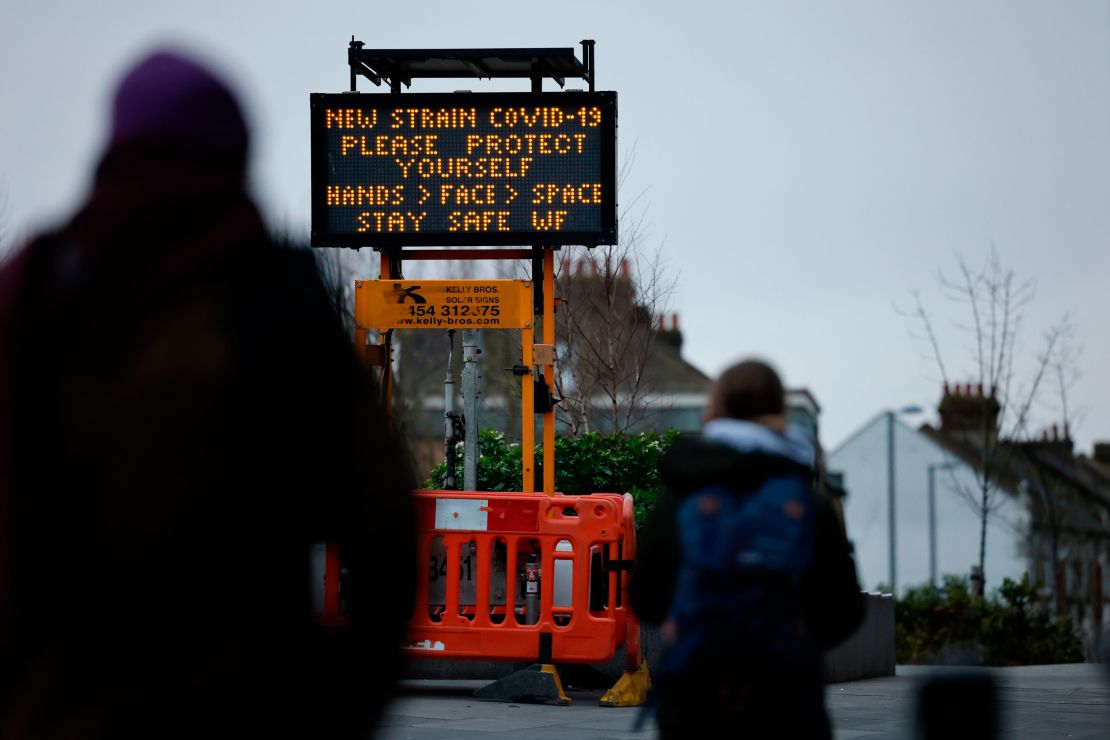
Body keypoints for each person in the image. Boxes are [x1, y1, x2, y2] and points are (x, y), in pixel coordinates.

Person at [0, 49, 416, 738]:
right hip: (240, 706)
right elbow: (382, 529)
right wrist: (340, 707)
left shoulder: (36, 288)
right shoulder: (276, 300)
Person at [630, 359, 864, 739]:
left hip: (695, 698)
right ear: (779, 413)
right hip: (787, 698)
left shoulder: (685, 492)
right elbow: (845, 611)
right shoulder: (807, 501)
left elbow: (646, 597)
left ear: (714, 409)